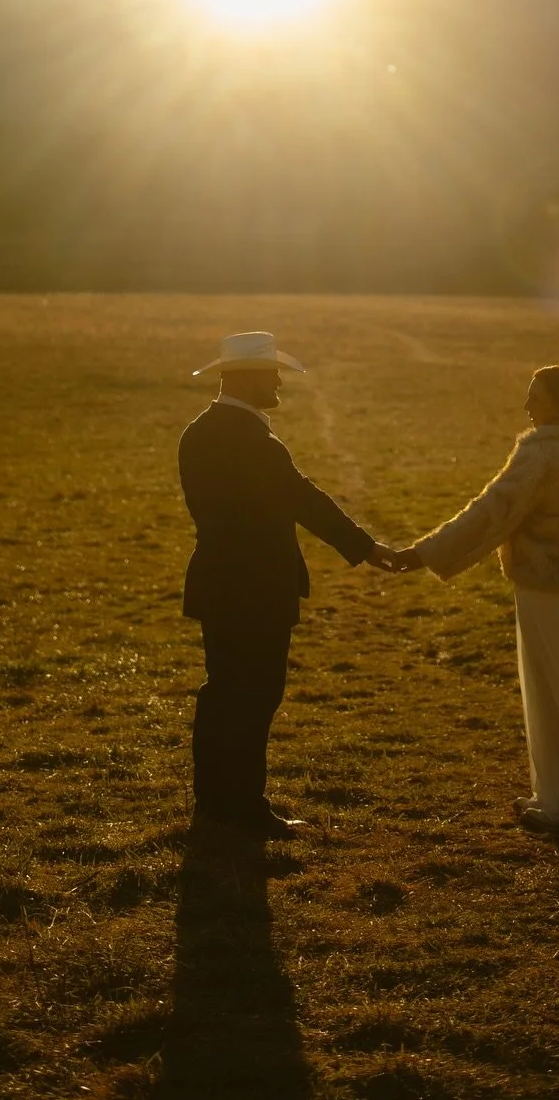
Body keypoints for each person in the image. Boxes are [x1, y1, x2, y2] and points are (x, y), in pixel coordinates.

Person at [396, 363, 559, 838]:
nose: (527, 405)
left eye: (536, 395)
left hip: (547, 591)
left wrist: (424, 553)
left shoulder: (540, 451)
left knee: (549, 698)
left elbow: (495, 511)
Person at [178, 330, 400, 837]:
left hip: (217, 581)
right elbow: (303, 499)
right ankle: (244, 806)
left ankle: (214, 801)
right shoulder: (254, 441)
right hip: (256, 588)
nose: (279, 381)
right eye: (272, 372)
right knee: (254, 696)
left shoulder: (199, 431)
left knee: (223, 693)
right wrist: (366, 549)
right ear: (250, 377)